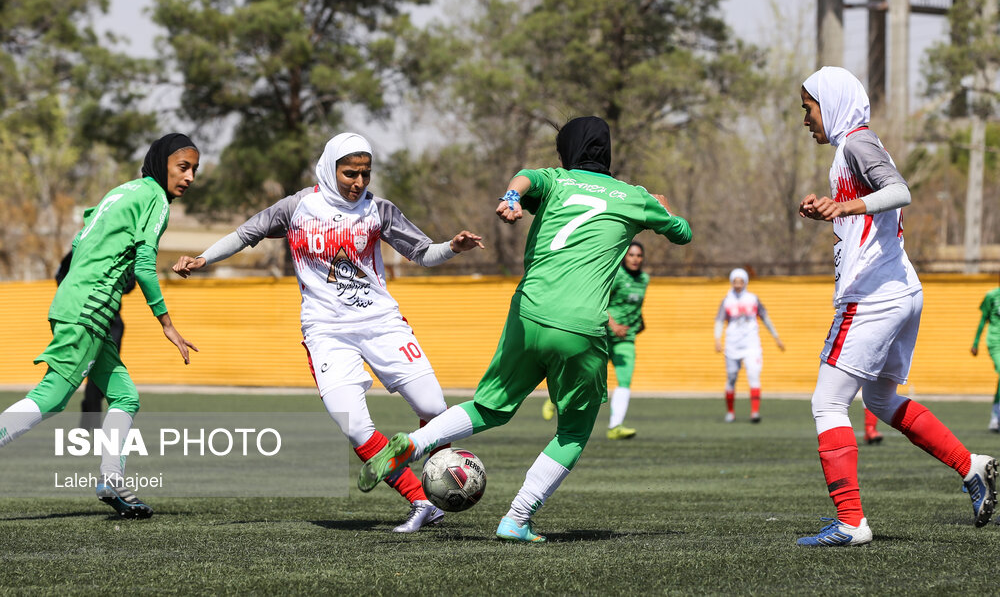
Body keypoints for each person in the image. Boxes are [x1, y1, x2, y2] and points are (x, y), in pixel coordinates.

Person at [356, 116, 692, 542]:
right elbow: (683, 234)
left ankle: (416, 444)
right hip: (580, 326)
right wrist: (658, 207)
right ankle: (516, 518)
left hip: (527, 314)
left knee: (489, 407)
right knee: (572, 431)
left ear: (568, 152)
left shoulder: (558, 180)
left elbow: (527, 177)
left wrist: (512, 197)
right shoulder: (632, 197)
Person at [172, 132, 484, 534]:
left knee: (434, 407)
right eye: (349, 173)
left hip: (381, 324)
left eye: (365, 174)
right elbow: (246, 233)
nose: (358, 182)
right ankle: (423, 502)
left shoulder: (379, 210)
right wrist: (202, 258)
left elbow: (423, 253)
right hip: (326, 332)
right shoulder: (297, 207)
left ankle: (443, 476)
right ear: (329, 167)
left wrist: (452, 246)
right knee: (353, 426)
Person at [796, 66, 996, 546]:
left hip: (873, 297)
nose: (806, 119)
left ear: (833, 102)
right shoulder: (857, 145)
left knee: (827, 402)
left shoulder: (855, 144)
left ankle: (850, 522)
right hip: (902, 289)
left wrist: (843, 208)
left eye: (809, 108)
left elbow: (901, 191)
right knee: (881, 400)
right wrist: (831, 210)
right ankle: (975, 467)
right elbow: (873, 217)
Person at [0, 133, 200, 519]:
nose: (190, 176)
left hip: (79, 304)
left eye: (194, 169)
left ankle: (111, 479)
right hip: (90, 311)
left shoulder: (121, 192)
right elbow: (143, 267)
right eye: (183, 167)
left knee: (125, 396)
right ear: (162, 164)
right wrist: (167, 324)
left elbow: (80, 240)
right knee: (52, 397)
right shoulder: (156, 199)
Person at [542, 240, 649, 440]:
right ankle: (554, 398)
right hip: (604, 335)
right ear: (625, 256)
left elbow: (635, 305)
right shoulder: (616, 276)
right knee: (584, 375)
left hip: (626, 339)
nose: (635, 259)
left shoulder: (644, 279)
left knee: (625, 381)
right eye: (631, 255)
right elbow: (599, 302)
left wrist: (639, 322)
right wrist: (614, 325)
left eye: (639, 255)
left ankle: (615, 426)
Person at [54, 250, 136, 431]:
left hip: (111, 321)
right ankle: (90, 423)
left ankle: (91, 425)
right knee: (74, 374)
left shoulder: (122, 251)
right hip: (81, 319)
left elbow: (131, 283)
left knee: (103, 375)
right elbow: (60, 274)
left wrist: (112, 284)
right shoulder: (82, 246)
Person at [713, 268, 784, 423]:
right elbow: (719, 321)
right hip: (732, 345)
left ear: (745, 282)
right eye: (735, 281)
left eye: (741, 281)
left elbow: (765, 318)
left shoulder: (753, 299)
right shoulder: (726, 300)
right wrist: (717, 339)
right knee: (731, 378)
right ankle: (730, 412)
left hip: (752, 345)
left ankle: (755, 413)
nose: (738, 285)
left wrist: (776, 337)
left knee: (754, 376)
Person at [971, 279, 1000, 432]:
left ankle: (996, 416)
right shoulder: (992, 296)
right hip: (996, 342)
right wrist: (975, 343)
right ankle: (996, 417)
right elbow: (983, 320)